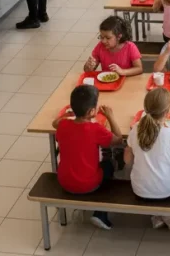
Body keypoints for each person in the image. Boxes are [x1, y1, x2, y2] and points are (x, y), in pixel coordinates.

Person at [52, 84, 122, 230]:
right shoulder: (95, 129)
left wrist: (67, 115)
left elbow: (55, 123)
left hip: (64, 181)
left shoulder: (63, 125)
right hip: (88, 185)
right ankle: (100, 213)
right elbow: (118, 139)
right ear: (91, 111)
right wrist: (110, 116)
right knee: (109, 165)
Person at [124, 88, 170, 231]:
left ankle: (157, 216)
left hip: (139, 190)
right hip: (168, 191)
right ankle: (166, 213)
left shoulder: (135, 129)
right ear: (168, 112)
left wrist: (131, 146)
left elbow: (127, 160)